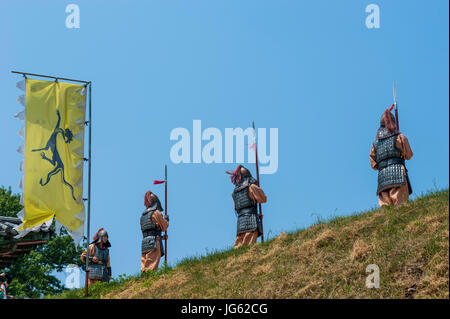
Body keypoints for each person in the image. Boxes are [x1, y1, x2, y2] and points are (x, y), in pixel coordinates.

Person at [370, 108, 413, 207]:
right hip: (398, 174)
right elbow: (409, 155)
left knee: (386, 211)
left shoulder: (375, 143)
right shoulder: (400, 137)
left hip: (383, 178)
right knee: (400, 206)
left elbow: (373, 164)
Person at [226, 165, 267, 249]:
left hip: (240, 223)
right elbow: (263, 199)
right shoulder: (251, 186)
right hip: (251, 221)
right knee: (248, 247)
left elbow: (239, 208)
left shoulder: (235, 192)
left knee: (239, 247)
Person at [140, 190, 169, 273]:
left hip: (145, 243)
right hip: (154, 242)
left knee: (145, 264)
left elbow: (148, 231)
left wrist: (161, 238)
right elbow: (164, 226)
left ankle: (143, 280)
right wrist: (166, 219)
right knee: (151, 266)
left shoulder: (143, 216)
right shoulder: (156, 213)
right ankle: (149, 280)